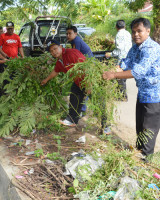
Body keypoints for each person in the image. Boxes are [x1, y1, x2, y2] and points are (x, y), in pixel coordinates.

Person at [103, 18, 160, 157]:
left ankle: (146, 157)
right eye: (134, 32)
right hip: (142, 93)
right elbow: (127, 61)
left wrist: (114, 75)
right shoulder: (135, 47)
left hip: (154, 95)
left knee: (149, 128)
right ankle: (139, 151)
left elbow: (138, 71)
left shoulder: (152, 48)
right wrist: (116, 67)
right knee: (140, 125)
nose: (136, 35)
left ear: (148, 31)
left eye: (139, 31)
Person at [41, 40, 87, 126]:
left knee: (99, 103)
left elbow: (85, 67)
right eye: (51, 51)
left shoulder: (71, 53)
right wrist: (46, 80)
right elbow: (56, 71)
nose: (54, 52)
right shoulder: (60, 61)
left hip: (89, 79)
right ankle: (73, 119)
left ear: (61, 47)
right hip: (78, 82)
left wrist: (89, 85)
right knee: (74, 96)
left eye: (55, 48)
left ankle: (106, 126)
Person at [66, 26, 93, 116]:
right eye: (67, 34)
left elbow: (75, 56)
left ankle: (82, 110)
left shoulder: (76, 41)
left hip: (87, 66)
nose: (68, 35)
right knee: (82, 88)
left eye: (70, 33)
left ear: (76, 34)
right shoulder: (73, 41)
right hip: (83, 65)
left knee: (84, 88)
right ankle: (81, 110)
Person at [105, 20, 132, 101]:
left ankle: (123, 96)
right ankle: (120, 95)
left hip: (121, 58)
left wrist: (110, 54)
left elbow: (119, 49)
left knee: (120, 77)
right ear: (125, 26)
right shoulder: (128, 33)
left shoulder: (118, 34)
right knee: (123, 76)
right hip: (128, 57)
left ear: (116, 27)